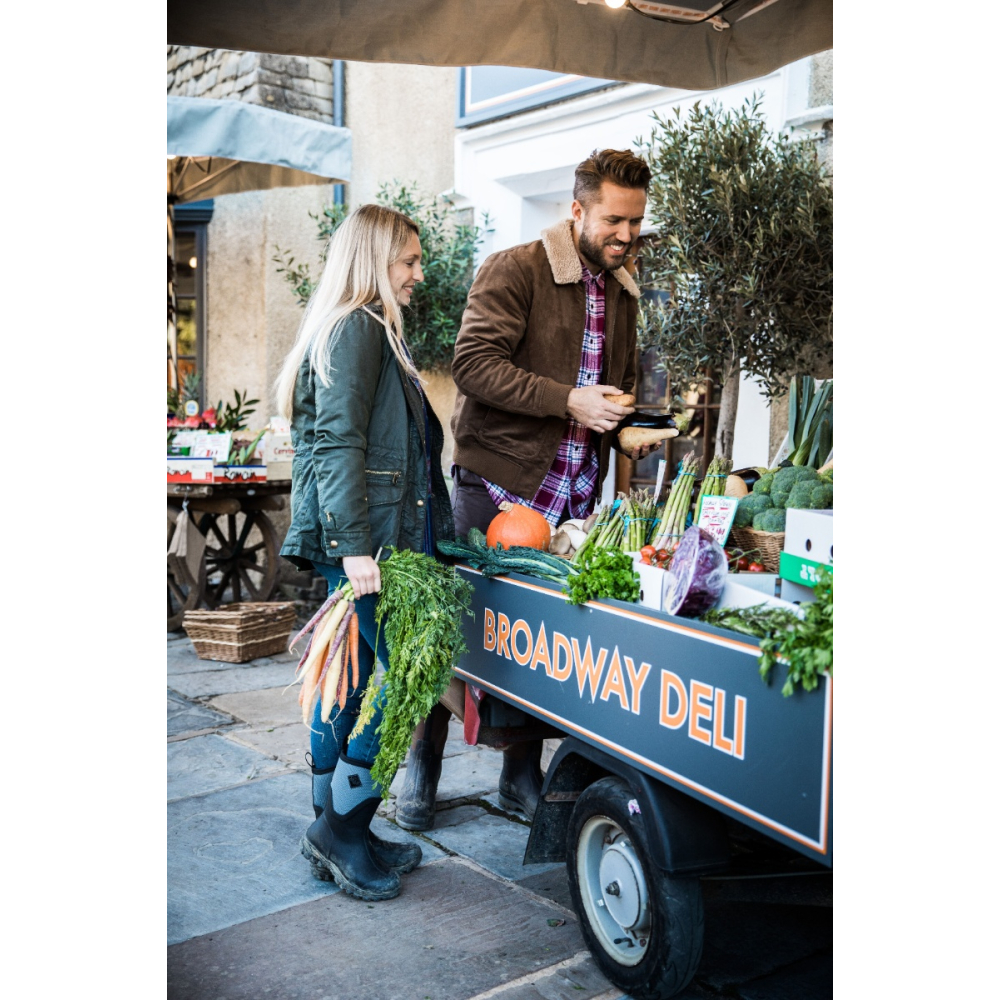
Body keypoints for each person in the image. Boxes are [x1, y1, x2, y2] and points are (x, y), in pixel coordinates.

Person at [395, 149, 653, 832]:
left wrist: (624, 430)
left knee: (540, 642)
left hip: (573, 495)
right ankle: (422, 762)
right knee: (454, 626)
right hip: (498, 484)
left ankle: (519, 776)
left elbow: (616, 389)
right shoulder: (515, 268)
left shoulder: (624, 290)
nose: (626, 234)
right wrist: (569, 400)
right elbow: (474, 365)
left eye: (636, 221)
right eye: (614, 220)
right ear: (577, 210)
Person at [275, 204, 455, 900]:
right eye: (408, 260)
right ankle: (342, 830)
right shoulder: (357, 328)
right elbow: (340, 441)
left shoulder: (364, 327)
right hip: (369, 543)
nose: (418, 273)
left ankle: (337, 826)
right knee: (408, 676)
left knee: (346, 677)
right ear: (374, 260)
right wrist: (355, 549)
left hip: (365, 538)